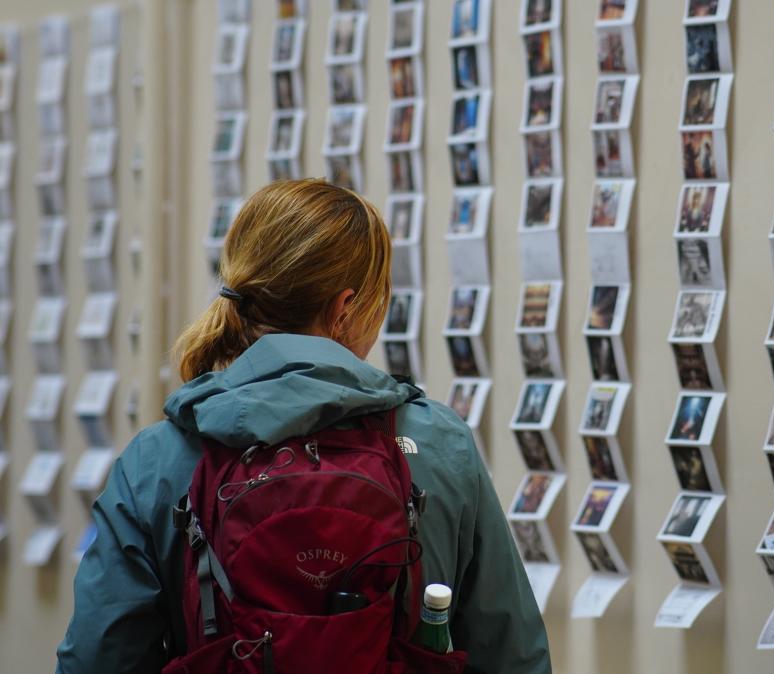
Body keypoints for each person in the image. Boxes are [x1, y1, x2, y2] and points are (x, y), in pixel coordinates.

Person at [56, 179, 551, 673]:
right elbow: (511, 652)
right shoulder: (439, 443)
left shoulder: (161, 457)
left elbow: (99, 656)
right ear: (344, 308)